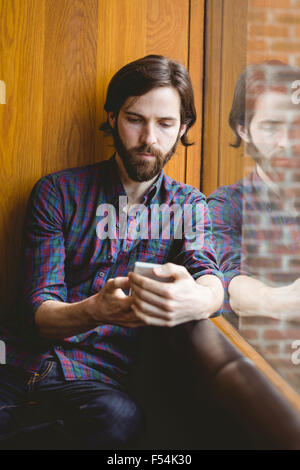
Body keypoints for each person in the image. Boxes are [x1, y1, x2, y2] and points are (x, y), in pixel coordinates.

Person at [0, 55, 224, 449]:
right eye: (135, 119)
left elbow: (208, 272)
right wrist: (95, 309)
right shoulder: (57, 192)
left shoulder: (188, 206)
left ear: (183, 127)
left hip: (96, 380)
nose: (149, 139)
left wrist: (202, 298)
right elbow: (39, 312)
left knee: (122, 424)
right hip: (13, 363)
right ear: (113, 117)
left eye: (166, 124)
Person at [208, 60, 300, 321]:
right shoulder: (226, 206)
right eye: (271, 127)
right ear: (243, 129)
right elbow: (231, 284)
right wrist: (279, 301)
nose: (287, 142)